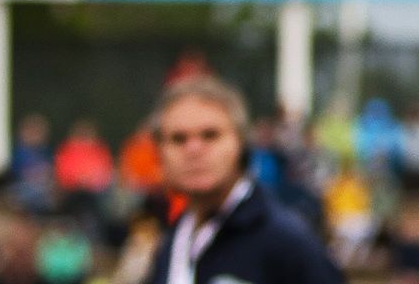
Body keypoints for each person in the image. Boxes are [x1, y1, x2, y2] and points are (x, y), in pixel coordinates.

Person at [146, 75, 341, 284]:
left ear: (241, 142)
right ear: (159, 150)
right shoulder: (173, 241)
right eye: (178, 139)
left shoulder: (286, 241)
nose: (194, 149)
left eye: (210, 135)